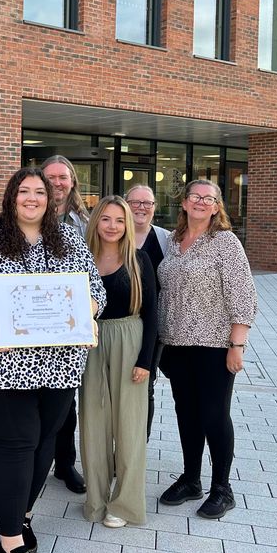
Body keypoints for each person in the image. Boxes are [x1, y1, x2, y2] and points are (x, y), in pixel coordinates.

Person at [0, 167, 105, 553]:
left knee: (44, 444)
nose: (33, 198)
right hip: (2, 364)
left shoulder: (68, 237)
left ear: (50, 198)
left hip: (59, 364)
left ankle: (21, 512)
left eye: (40, 191)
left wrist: (84, 314)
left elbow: (96, 291)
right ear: (11, 196)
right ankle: (11, 545)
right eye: (24, 191)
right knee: (14, 445)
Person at [156, 179, 257, 520]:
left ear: (216, 207)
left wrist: (237, 345)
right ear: (183, 202)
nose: (200, 202)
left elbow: (244, 297)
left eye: (208, 198)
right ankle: (191, 479)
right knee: (186, 414)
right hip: (176, 345)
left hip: (214, 346)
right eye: (194, 196)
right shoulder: (172, 241)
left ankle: (222, 488)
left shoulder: (225, 243)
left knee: (214, 415)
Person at [80, 195, 157, 528]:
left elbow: (153, 315)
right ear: (96, 221)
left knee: (129, 426)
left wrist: (146, 361)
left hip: (129, 340)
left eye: (120, 220)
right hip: (90, 343)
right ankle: (96, 499)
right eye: (106, 219)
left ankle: (124, 504)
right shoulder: (80, 259)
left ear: (128, 224)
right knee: (94, 425)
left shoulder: (139, 260)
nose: (113, 226)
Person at [40, 154, 89, 494]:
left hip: (68, 323)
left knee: (65, 400)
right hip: (30, 321)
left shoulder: (85, 223)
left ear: (72, 181)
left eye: (63, 177)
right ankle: (33, 460)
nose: (57, 182)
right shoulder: (23, 214)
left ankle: (65, 463)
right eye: (51, 177)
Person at [126, 185, 171, 441]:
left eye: (148, 203)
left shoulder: (166, 239)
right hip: (117, 322)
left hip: (152, 326)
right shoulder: (114, 233)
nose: (142, 207)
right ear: (125, 203)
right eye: (135, 202)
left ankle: (138, 446)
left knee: (145, 386)